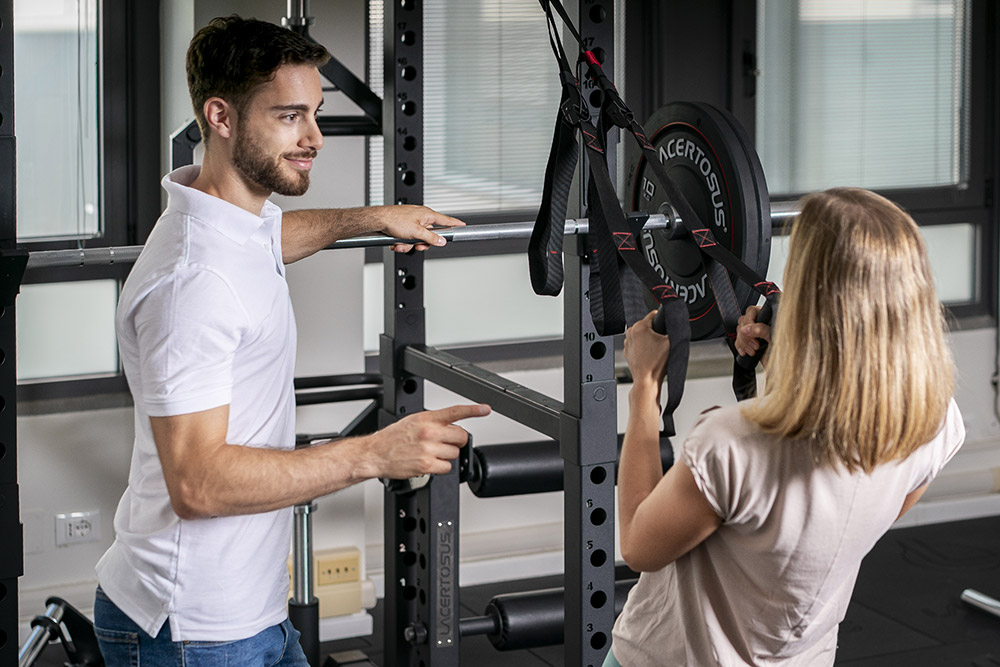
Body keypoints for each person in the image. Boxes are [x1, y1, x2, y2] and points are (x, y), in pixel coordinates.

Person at [93, 16, 490, 666]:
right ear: (220, 116)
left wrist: (371, 218)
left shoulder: (227, 224)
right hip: (194, 630)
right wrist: (374, 454)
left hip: (252, 612)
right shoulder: (193, 283)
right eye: (289, 117)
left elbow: (269, 242)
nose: (314, 138)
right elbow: (197, 483)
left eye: (315, 113)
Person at [605, 187, 965, 666]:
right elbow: (840, 516)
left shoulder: (729, 444)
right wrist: (787, 367)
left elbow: (638, 544)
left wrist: (645, 388)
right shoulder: (933, 421)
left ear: (809, 294)